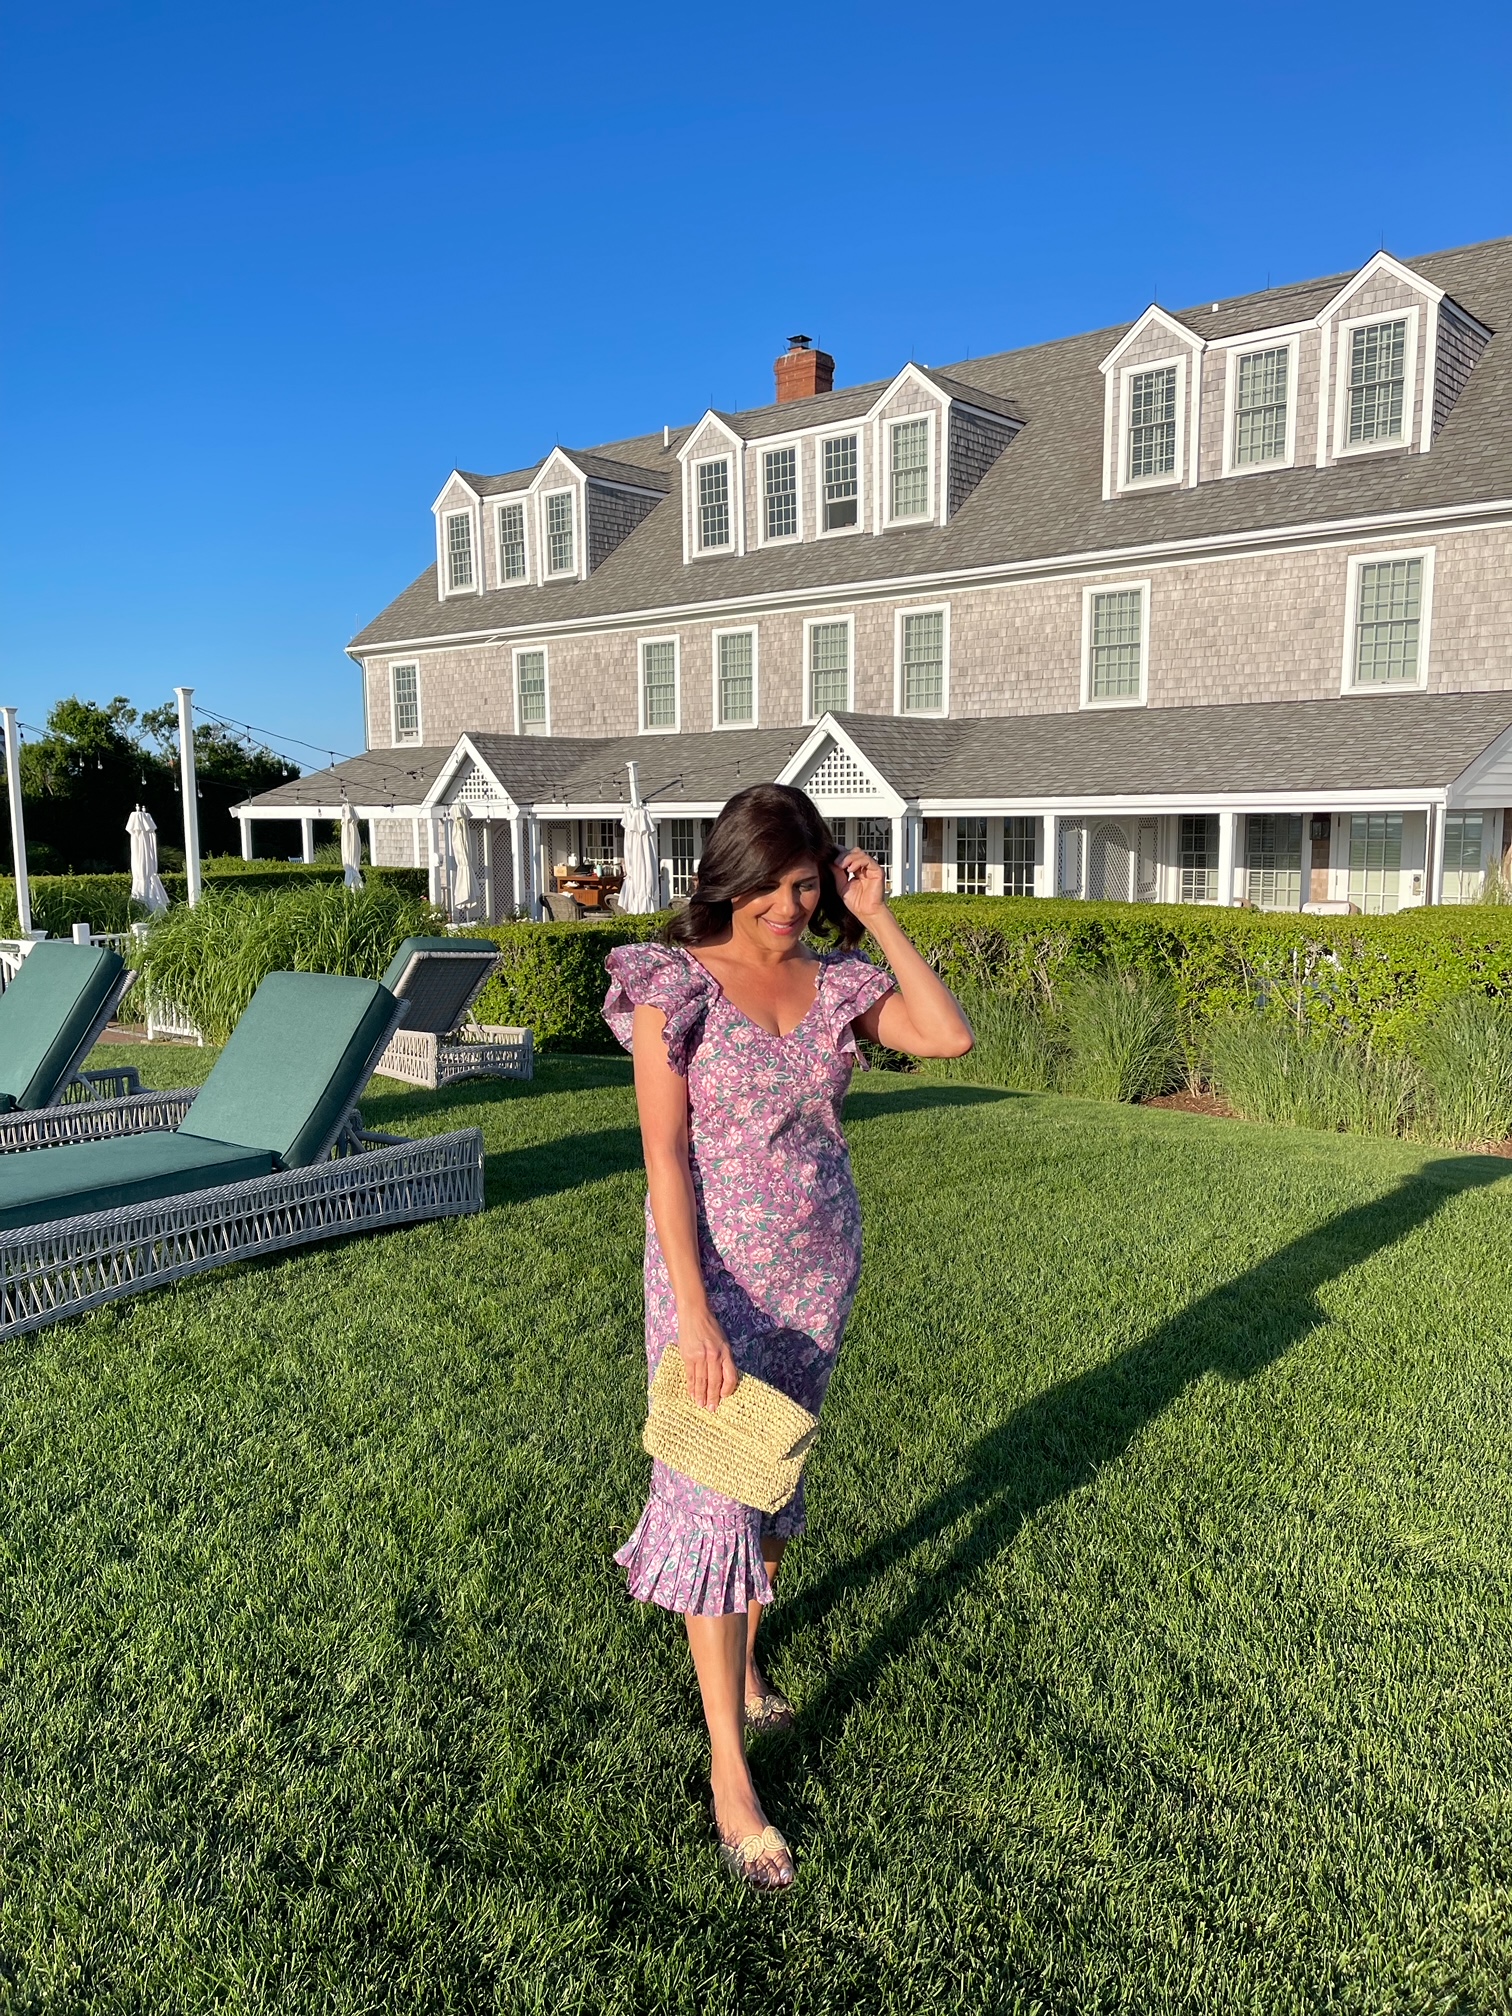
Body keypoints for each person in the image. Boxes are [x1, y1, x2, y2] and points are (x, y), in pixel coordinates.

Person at [602, 782, 973, 1891]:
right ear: (730, 874)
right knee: (712, 1496)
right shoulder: (677, 986)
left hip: (816, 1275)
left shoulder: (837, 979)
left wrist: (877, 913)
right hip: (711, 1283)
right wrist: (697, 1309)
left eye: (806, 881)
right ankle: (730, 1771)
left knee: (764, 1484)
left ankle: (752, 1669)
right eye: (770, 882)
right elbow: (665, 1159)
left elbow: (946, 1035)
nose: (787, 903)